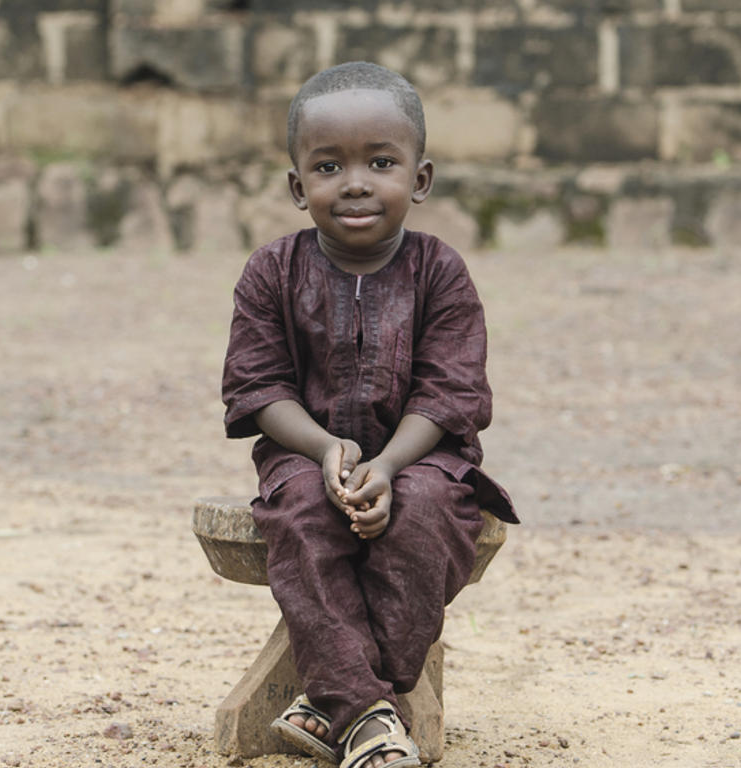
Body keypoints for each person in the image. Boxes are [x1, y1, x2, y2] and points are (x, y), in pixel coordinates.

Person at [221, 61, 517, 768]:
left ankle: (336, 704)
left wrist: (386, 464)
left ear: (419, 179)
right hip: (302, 456)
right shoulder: (272, 272)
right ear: (299, 187)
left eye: (381, 162)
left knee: (424, 512)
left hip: (424, 459)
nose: (355, 182)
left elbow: (451, 393)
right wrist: (326, 451)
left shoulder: (439, 272)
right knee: (301, 511)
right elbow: (257, 389)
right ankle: (369, 715)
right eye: (328, 166)